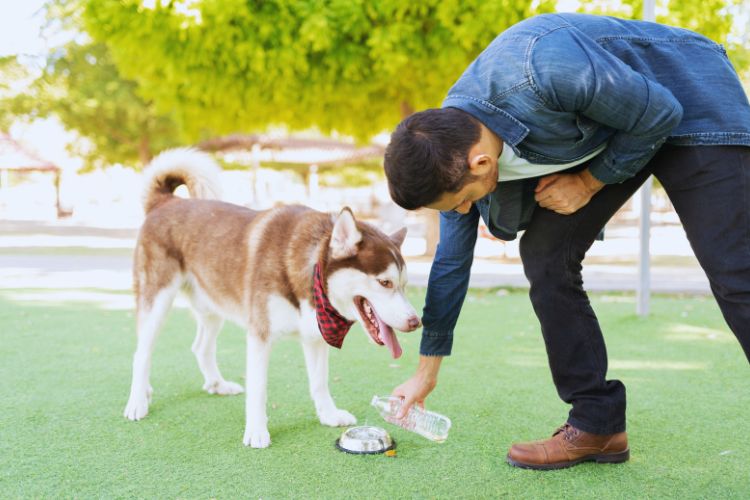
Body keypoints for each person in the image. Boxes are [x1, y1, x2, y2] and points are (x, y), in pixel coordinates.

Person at [383, 12, 750, 470]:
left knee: (735, 271)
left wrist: (591, 182)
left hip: (691, 101)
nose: (462, 212)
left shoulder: (544, 69)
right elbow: (452, 262)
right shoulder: (446, 151)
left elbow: (660, 112)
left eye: (461, 203)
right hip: (619, 129)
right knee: (545, 254)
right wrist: (425, 373)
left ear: (480, 164)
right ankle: (598, 424)